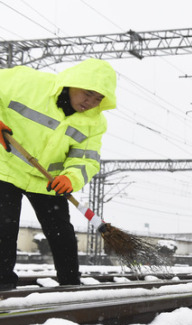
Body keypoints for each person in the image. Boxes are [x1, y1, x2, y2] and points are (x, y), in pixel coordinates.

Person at [0, 58, 117, 291]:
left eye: (98, 99)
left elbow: (85, 158)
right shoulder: (27, 82)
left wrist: (70, 178)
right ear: (73, 82)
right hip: (6, 167)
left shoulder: (95, 123)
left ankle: (70, 287)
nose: (90, 102)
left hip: (48, 181)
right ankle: (3, 287)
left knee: (62, 233)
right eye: (88, 93)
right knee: (4, 225)